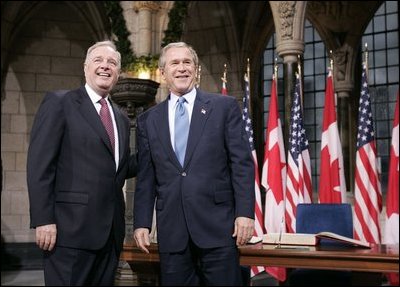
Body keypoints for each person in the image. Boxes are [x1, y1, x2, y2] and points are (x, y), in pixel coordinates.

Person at [133, 42, 255, 286]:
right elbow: (146, 176)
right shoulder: (148, 120)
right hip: (172, 232)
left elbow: (241, 164)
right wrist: (142, 223)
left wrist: (244, 213)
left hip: (218, 229)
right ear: (163, 72)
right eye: (174, 63)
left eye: (187, 62)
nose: (181, 69)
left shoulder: (224, 107)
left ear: (196, 70)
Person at [27, 40, 137, 286]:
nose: (105, 66)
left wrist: (160, 152)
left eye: (112, 63)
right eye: (98, 60)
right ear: (85, 67)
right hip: (69, 232)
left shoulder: (119, 117)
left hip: (110, 234)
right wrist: (43, 219)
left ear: (118, 73)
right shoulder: (60, 103)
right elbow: (40, 165)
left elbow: (118, 168)